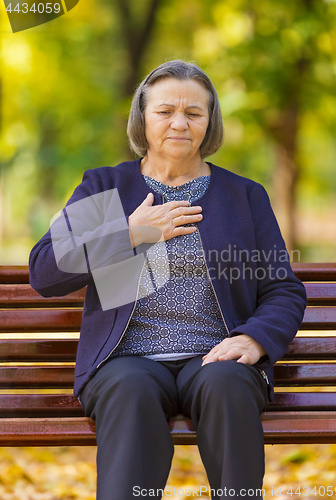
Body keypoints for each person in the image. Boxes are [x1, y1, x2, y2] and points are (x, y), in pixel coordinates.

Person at [29, 60, 307, 499]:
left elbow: (282, 288)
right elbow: (45, 269)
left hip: (213, 355)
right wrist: (130, 234)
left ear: (209, 122)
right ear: (143, 117)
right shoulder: (107, 187)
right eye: (165, 111)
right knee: (129, 389)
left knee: (228, 382)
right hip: (126, 360)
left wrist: (255, 339)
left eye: (194, 113)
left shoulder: (243, 196)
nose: (179, 122)